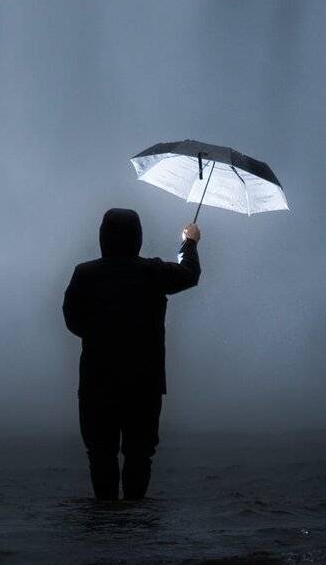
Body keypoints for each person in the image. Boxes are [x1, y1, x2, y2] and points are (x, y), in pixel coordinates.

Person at [62, 207, 201, 501]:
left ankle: (105, 519)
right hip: (144, 381)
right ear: (137, 236)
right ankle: (136, 523)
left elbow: (72, 319)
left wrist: (99, 337)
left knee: (100, 452)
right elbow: (189, 274)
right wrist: (189, 241)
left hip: (97, 380)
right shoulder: (153, 271)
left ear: (103, 236)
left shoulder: (85, 273)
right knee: (140, 453)